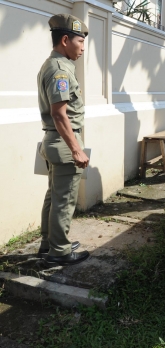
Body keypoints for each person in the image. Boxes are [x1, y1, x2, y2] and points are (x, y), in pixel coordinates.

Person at [37, 14, 91, 266]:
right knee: (64, 199)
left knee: (54, 195)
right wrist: (76, 150)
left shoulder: (57, 65)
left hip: (54, 142)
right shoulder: (59, 70)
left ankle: (49, 243)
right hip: (63, 143)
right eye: (80, 41)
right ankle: (59, 251)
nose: (83, 47)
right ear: (66, 39)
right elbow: (59, 114)